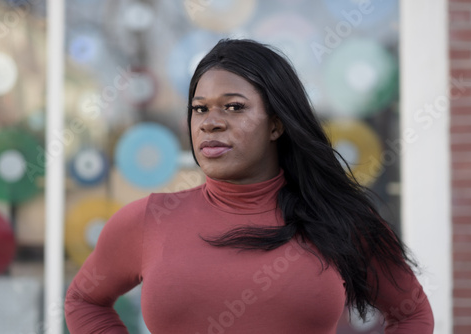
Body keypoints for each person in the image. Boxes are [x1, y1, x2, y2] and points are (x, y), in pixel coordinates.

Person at [65, 39, 434, 333]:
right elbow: (84, 300)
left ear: (276, 124)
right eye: (199, 108)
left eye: (234, 107)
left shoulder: (338, 218)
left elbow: (411, 314)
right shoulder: (148, 220)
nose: (210, 122)